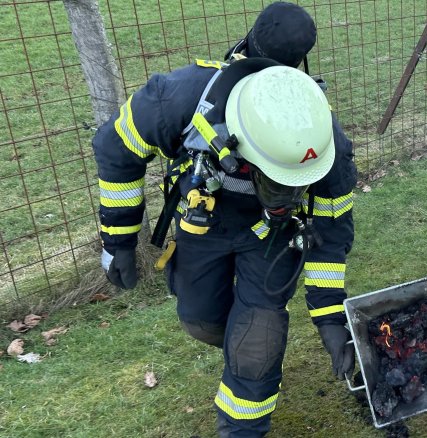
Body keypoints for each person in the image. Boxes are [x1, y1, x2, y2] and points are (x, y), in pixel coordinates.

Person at [93, 3, 357, 437]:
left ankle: (242, 427)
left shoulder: (325, 139)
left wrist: (330, 317)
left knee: (258, 333)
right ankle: (240, 343)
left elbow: (329, 234)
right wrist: (118, 239)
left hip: (273, 236)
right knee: (201, 319)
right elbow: (115, 146)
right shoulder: (181, 98)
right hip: (204, 224)